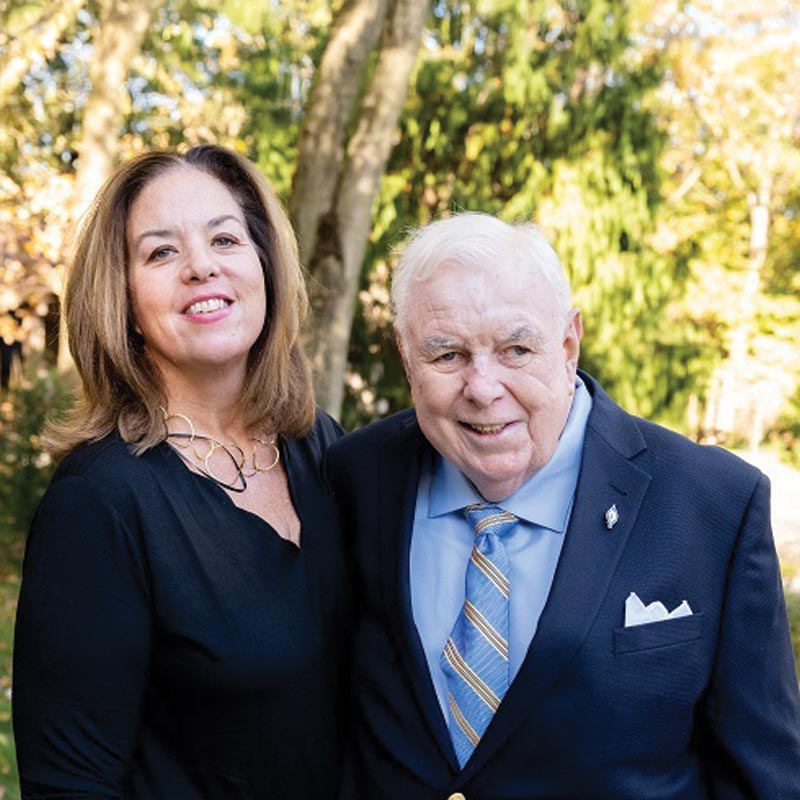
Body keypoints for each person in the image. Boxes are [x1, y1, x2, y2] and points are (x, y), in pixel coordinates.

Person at [327, 212, 800, 799]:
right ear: (406, 356)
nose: (483, 386)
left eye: (516, 349)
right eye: (446, 355)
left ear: (569, 343)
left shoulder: (714, 506)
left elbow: (766, 778)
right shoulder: (355, 478)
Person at [13, 144, 350, 799]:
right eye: (161, 252)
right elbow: (68, 788)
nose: (202, 266)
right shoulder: (99, 505)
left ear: (264, 267)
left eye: (225, 237)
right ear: (125, 303)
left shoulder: (320, 449)